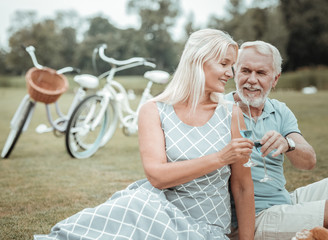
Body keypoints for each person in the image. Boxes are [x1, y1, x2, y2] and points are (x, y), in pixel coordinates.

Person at [34, 29, 256, 240]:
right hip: (155, 212)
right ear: (198, 61)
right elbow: (157, 176)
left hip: (205, 228)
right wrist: (219, 158)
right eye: (224, 64)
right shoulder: (154, 109)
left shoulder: (231, 115)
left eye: (232, 65)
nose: (230, 73)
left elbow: (243, 187)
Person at [225, 40, 328, 240]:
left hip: (286, 200)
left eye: (261, 73)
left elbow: (308, 161)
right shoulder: (221, 110)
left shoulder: (279, 110)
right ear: (235, 71)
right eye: (245, 71)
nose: (251, 80)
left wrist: (288, 144)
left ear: (275, 79)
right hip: (256, 217)